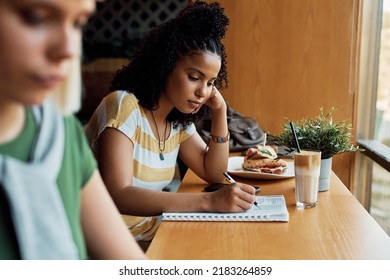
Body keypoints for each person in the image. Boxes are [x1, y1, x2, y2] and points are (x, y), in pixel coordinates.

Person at [85, 0, 257, 246]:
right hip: (110, 241)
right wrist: (209, 202)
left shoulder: (177, 120)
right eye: (194, 77)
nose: (202, 91)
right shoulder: (124, 106)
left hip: (152, 230)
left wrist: (220, 110)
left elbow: (215, 173)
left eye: (210, 82)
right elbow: (119, 194)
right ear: (165, 66)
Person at [0, 0, 146, 260]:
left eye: (78, 23)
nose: (69, 49)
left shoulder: (59, 133)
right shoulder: (121, 106)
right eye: (35, 17)